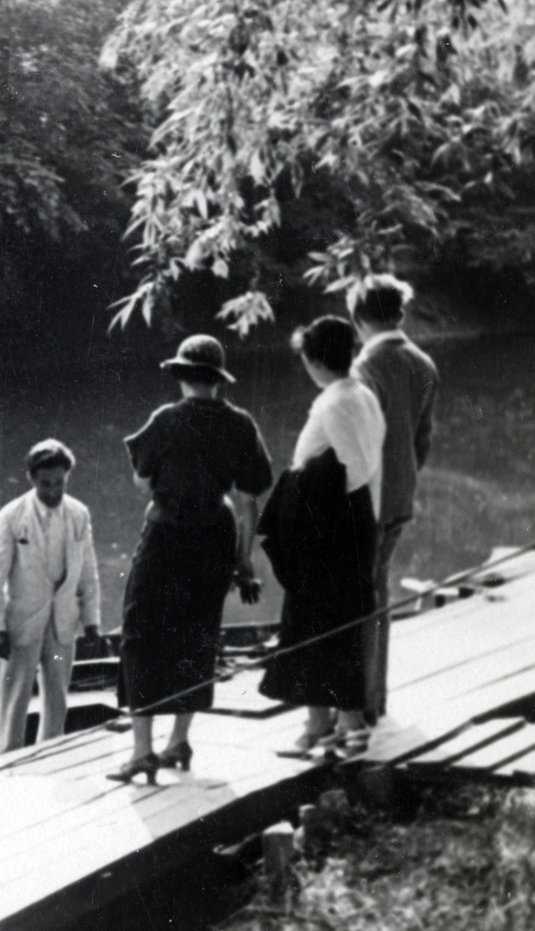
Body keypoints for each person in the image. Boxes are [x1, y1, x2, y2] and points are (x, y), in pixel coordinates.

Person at [109, 336, 273, 785]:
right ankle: (178, 740)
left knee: (141, 631)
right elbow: (249, 501)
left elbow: (143, 483)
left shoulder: (166, 419)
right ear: (218, 381)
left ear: (181, 376)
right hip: (215, 538)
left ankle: (142, 751)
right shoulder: (241, 424)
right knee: (197, 633)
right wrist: (244, 563)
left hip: (167, 534)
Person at [258, 317, 386, 760]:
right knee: (337, 619)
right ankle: (326, 725)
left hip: (332, 523)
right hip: (353, 518)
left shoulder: (334, 403)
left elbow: (350, 467)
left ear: (313, 360)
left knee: (317, 620)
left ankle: (337, 726)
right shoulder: (362, 395)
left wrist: (307, 488)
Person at [349, 274, 439, 722]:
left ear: (358, 318)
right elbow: (422, 442)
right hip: (400, 496)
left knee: (357, 596)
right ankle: (373, 699)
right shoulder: (424, 364)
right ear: (400, 315)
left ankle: (359, 704)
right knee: (377, 591)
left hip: (365, 499)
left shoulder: (365, 368)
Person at [0, 438, 103, 755]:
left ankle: (51, 759)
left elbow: (88, 573)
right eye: (45, 484)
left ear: (67, 477)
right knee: (13, 700)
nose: (52, 490)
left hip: (62, 622)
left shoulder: (79, 515)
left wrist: (92, 622)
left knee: (57, 699)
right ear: (32, 479)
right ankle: (2, 767)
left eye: (59, 483)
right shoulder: (10, 516)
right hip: (21, 622)